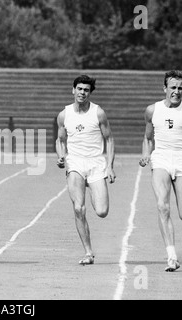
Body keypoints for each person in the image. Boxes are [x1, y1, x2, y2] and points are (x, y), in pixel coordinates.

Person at [139, 70, 182, 272]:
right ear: (164, 88)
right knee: (162, 206)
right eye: (173, 87)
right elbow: (148, 138)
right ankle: (172, 256)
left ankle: (173, 251)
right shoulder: (152, 110)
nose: (176, 91)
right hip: (161, 159)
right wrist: (146, 154)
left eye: (180, 88)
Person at [56, 75, 116, 266]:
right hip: (75, 163)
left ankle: (92, 186)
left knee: (102, 211)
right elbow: (60, 140)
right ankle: (88, 252)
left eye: (86, 90)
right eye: (79, 89)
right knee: (78, 208)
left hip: (96, 163)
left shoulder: (98, 113)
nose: (82, 93)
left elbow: (109, 139)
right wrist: (61, 156)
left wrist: (110, 166)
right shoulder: (64, 114)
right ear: (73, 90)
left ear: (90, 93)